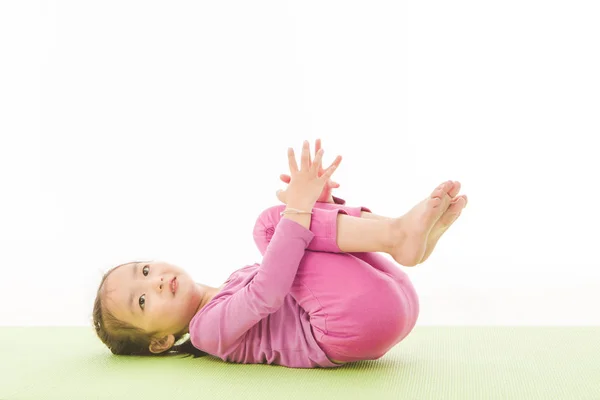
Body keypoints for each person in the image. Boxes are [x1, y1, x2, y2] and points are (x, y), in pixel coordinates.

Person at [92, 139, 468, 368]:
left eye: (144, 270)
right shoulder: (207, 332)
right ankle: (399, 234)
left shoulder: (233, 279)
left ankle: (403, 236)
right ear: (159, 342)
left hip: (396, 301)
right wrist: (299, 210)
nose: (155, 282)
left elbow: (305, 272)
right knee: (272, 226)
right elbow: (268, 294)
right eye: (141, 300)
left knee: (289, 231)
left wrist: (318, 204)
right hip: (346, 330)